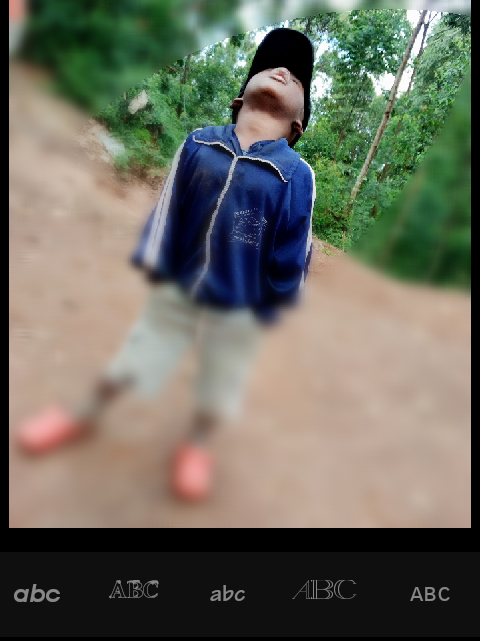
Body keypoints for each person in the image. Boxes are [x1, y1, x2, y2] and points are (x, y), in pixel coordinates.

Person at [16, 28, 316, 501]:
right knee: (134, 357)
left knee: (219, 383)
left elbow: (293, 254)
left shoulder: (296, 176)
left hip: (237, 307)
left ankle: (197, 445)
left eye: (297, 78)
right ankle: (83, 412)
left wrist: (272, 310)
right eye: (270, 64)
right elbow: (168, 212)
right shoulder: (199, 145)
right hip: (179, 287)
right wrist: (158, 268)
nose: (283, 71)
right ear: (239, 99)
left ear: (298, 125)